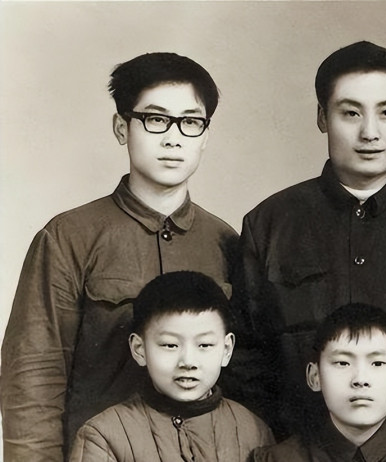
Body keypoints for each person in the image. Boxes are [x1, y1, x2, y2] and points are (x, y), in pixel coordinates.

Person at [230, 40, 386, 438]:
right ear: (322, 117)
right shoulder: (268, 223)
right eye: (350, 113)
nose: (370, 132)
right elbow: (244, 364)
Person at [1, 52, 240, 461]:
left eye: (190, 122)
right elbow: (33, 379)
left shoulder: (226, 241)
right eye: (156, 119)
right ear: (121, 127)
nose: (173, 138)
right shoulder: (68, 237)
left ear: (205, 135)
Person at [69, 271, 273, 461]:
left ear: (226, 350)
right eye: (170, 345)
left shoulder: (254, 431)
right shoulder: (103, 436)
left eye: (204, 345)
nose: (188, 362)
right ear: (139, 349)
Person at [251, 303, 386, 461]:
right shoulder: (274, 459)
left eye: (378, 363)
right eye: (342, 363)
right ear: (314, 376)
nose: (360, 380)